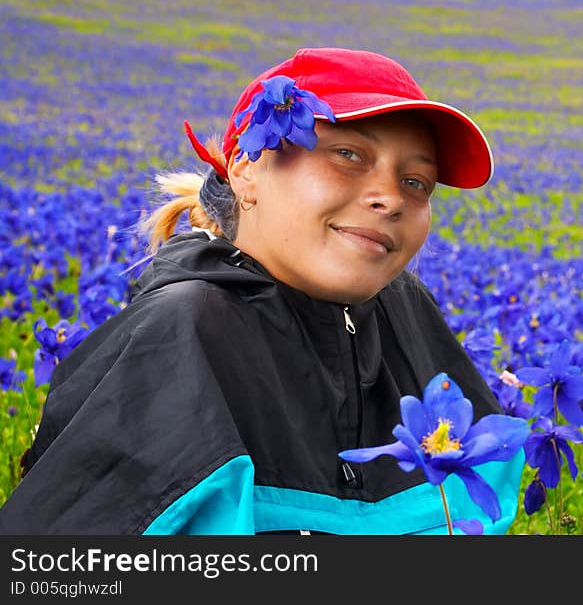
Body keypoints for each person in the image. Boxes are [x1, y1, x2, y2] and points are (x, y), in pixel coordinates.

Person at [0, 47, 525, 534]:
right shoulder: (178, 336)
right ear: (248, 170)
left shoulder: (405, 312)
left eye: (416, 182)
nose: (390, 197)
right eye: (347, 154)